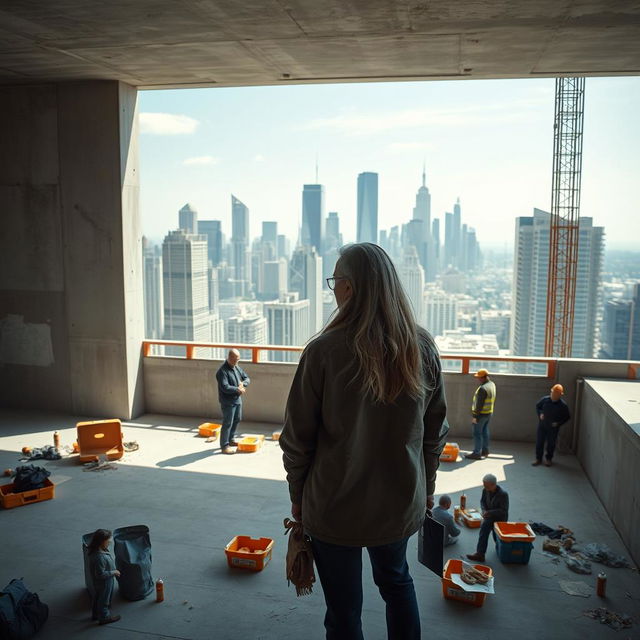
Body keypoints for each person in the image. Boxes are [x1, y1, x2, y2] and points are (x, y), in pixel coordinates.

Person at [280, 243, 448, 640]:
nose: (333, 290)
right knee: (397, 584)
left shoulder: (323, 351)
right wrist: (428, 487)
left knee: (343, 609)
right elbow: (434, 431)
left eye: (335, 281)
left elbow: (297, 439)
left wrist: (298, 494)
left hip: (334, 506)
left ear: (350, 288)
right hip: (398, 503)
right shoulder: (420, 347)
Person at [466, 474, 509, 562]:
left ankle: (502, 550)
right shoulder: (485, 490)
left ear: (494, 485)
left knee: (496, 537)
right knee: (484, 531)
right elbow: (482, 501)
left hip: (499, 518)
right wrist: (484, 510)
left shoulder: (503, 494)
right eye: (484, 485)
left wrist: (489, 512)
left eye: (487, 486)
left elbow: (503, 511)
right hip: (489, 516)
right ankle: (480, 554)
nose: (485, 487)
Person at [216, 348, 250, 455]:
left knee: (237, 419)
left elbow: (247, 378)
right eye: (235, 360)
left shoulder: (236, 368)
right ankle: (224, 445)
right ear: (229, 358)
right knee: (227, 423)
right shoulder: (222, 371)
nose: (236, 362)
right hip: (227, 401)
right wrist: (237, 389)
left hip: (237, 399)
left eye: (238, 360)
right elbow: (225, 387)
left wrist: (243, 384)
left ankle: (231, 439)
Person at [87, 529, 121, 625]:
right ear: (101, 542)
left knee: (98, 598)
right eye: (107, 540)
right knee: (104, 600)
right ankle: (104, 617)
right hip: (105, 583)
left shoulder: (96, 552)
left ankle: (96, 615)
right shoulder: (100, 557)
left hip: (99, 583)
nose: (110, 542)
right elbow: (100, 574)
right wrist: (113, 572)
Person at [533, 383, 571, 467]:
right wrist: (540, 414)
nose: (553, 395)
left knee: (551, 444)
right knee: (539, 442)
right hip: (542, 425)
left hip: (553, 428)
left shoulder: (563, 405)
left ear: (560, 395)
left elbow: (567, 417)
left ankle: (548, 459)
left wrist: (558, 423)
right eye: (552, 393)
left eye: (556, 394)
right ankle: (538, 458)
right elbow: (538, 406)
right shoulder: (545, 400)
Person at [465, 368, 496, 460]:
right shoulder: (492, 384)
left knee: (477, 434)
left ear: (484, 377)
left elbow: (479, 405)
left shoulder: (483, 389)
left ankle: (477, 453)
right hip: (489, 413)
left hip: (481, 415)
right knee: (485, 432)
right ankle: (485, 451)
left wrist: (475, 417)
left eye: (479, 377)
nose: (478, 379)